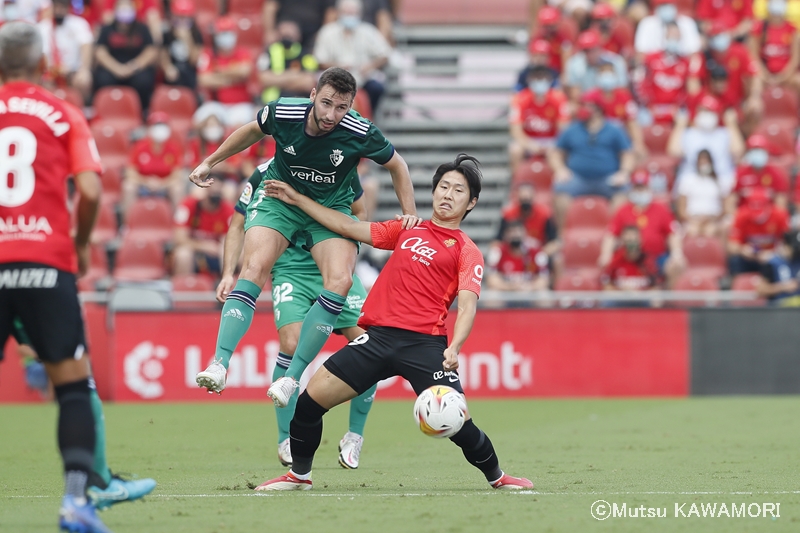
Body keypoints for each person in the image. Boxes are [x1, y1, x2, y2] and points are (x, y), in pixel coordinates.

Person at [255, 154, 533, 491]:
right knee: (308, 404)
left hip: (425, 345)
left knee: (458, 422)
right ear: (433, 191)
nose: (448, 194)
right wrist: (298, 199)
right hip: (377, 339)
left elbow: (467, 306)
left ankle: (498, 477)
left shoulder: (467, 250)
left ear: (471, 202)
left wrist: (455, 347)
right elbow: (347, 227)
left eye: (458, 190)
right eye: (443, 186)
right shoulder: (407, 229)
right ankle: (299, 476)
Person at [187, 68, 417, 406]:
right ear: (312, 96)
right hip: (280, 198)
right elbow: (251, 131)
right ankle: (220, 363)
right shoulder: (284, 112)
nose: (331, 115)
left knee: (340, 281)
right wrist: (210, 162)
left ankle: (291, 378)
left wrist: (409, 213)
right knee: (254, 267)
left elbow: (398, 165)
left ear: (351, 106)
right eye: (326, 103)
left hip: (329, 209)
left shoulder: (359, 131)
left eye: (341, 107)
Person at [0, 21, 110, 532]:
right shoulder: (63, 113)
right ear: (43, 63)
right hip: (46, 261)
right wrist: (81, 243)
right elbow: (90, 189)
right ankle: (74, 503)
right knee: (71, 387)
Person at [218, 163, 378, 469]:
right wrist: (228, 273)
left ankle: (355, 435)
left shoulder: (341, 166)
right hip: (291, 269)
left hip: (331, 264)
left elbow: (360, 213)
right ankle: (286, 438)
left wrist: (347, 252)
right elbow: (238, 224)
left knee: (369, 344)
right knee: (290, 343)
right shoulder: (265, 172)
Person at [10, 320, 157, 511]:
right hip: (41, 315)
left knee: (79, 385)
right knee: (78, 386)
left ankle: (95, 486)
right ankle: (97, 485)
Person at [549, 91, 635, 227]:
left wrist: (624, 173)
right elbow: (556, 153)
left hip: (607, 179)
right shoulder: (571, 129)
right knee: (560, 192)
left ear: (598, 109)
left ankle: (613, 234)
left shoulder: (614, 129)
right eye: (582, 105)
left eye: (588, 106)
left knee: (622, 195)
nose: (583, 109)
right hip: (578, 178)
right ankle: (563, 235)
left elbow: (627, 154)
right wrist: (560, 169)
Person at [598, 169, 686, 287]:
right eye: (637, 188)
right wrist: (606, 254)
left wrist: (676, 254)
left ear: (649, 188)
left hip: (657, 257)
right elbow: (611, 235)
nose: (640, 192)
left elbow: (672, 233)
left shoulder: (661, 209)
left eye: (643, 188)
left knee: (676, 266)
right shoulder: (623, 210)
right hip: (630, 257)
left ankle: (668, 297)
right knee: (609, 269)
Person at [313, 0, 392, 113]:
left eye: (352, 12)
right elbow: (320, 60)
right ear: (339, 12)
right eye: (346, 12)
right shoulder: (327, 32)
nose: (349, 16)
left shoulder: (368, 31)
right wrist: (338, 67)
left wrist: (370, 66)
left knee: (376, 87)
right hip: (334, 78)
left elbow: (385, 54)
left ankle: (367, 118)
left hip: (363, 78)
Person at [667, 96, 745, 194]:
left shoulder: (724, 133)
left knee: (731, 184)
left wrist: (731, 124)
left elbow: (738, 151)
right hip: (693, 179)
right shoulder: (689, 133)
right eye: (702, 111)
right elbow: (674, 152)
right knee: (684, 183)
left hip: (720, 179)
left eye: (709, 111)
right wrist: (680, 125)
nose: (705, 114)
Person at [92, 0, 158, 110]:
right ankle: (106, 110)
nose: (124, 11)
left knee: (143, 81)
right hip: (113, 67)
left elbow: (151, 51)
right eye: (121, 8)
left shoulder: (142, 28)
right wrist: (116, 68)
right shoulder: (106, 29)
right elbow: (100, 51)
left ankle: (141, 111)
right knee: (103, 79)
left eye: (127, 8)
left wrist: (133, 67)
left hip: (135, 67)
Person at [508, 64, 570, 173]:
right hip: (529, 140)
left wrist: (554, 145)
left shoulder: (559, 98)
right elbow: (516, 131)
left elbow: (563, 129)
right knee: (515, 150)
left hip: (552, 140)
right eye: (536, 78)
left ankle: (559, 178)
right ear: (529, 80)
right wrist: (530, 145)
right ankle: (517, 180)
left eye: (543, 78)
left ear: (550, 80)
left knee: (559, 152)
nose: (540, 81)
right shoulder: (519, 99)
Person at [196, 16, 255, 128]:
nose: (226, 36)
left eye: (228, 32)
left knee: (239, 125)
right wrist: (233, 79)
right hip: (215, 104)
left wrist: (218, 71)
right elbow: (203, 80)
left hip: (241, 105)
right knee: (201, 121)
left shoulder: (242, 52)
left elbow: (244, 72)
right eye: (222, 33)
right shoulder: (208, 54)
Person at [122, 110, 185, 213]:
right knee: (128, 187)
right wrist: (146, 182)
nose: (160, 129)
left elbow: (177, 174)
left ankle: (178, 221)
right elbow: (130, 172)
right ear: (149, 128)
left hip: (165, 185)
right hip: (143, 185)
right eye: (156, 125)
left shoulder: (174, 148)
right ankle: (127, 221)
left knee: (177, 188)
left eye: (163, 125)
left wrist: (161, 183)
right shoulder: (139, 147)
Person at [173, 178, 235, 277]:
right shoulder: (188, 205)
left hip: (217, 254)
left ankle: (225, 283)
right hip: (195, 252)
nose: (214, 194)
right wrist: (204, 246)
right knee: (183, 254)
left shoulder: (228, 209)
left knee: (229, 251)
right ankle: (184, 285)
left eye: (218, 191)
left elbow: (234, 238)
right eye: (212, 190)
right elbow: (179, 238)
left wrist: (222, 246)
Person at [636, 22, 691, 125]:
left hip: (675, 108)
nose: (674, 40)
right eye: (671, 36)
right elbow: (640, 83)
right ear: (664, 37)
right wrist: (649, 105)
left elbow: (687, 90)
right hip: (651, 107)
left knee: (684, 118)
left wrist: (677, 106)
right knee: (641, 119)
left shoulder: (685, 63)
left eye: (676, 37)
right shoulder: (650, 59)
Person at [38, 0, 93, 99]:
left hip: (73, 72)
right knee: (43, 82)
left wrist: (84, 70)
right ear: (52, 7)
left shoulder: (79, 24)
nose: (59, 11)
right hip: (51, 72)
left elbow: (86, 46)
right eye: (57, 7)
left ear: (68, 8)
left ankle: (79, 107)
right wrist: (55, 70)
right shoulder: (43, 27)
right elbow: (42, 54)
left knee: (83, 80)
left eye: (62, 7)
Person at [728, 188, 790, 274]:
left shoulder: (780, 215)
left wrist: (772, 253)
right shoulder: (741, 215)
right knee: (735, 260)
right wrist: (743, 250)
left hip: (772, 257)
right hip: (750, 258)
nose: (757, 217)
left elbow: (788, 246)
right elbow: (732, 245)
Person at [257, 20, 318, 105]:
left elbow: (309, 82)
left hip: (300, 103)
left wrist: (277, 80)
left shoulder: (306, 55)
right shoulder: (270, 51)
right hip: (272, 104)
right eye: (284, 36)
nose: (287, 40)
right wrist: (294, 76)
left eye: (289, 36)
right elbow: (263, 79)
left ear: (298, 35)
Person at [727, 134, 789, 213]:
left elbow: (781, 200)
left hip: (768, 214)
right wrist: (735, 215)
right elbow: (732, 199)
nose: (757, 153)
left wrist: (777, 217)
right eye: (754, 150)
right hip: (746, 214)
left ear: (766, 151)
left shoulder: (775, 173)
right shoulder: (741, 173)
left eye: (760, 150)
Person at [676, 149, 731, 237]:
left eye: (706, 161)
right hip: (692, 220)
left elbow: (726, 207)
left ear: (711, 163)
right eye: (701, 162)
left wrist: (711, 219)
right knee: (692, 231)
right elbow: (681, 208)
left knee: (711, 231)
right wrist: (695, 220)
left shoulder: (719, 182)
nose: (703, 164)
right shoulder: (688, 180)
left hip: (713, 220)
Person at [749, 0, 800, 91]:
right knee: (755, 81)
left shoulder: (792, 29)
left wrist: (783, 77)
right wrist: (764, 75)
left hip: (787, 75)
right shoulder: (760, 28)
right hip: (764, 74)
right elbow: (753, 56)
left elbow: (795, 59)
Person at [563, 29, 628, 101]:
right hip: (586, 102)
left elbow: (623, 90)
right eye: (586, 51)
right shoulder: (574, 64)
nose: (590, 54)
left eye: (593, 50)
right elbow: (574, 93)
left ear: (600, 47)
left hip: (611, 102)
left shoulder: (616, 62)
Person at [486, 220, 550, 293]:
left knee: (544, 293)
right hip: (505, 292)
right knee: (492, 294)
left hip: (530, 292)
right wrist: (510, 287)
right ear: (505, 235)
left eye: (518, 231)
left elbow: (544, 279)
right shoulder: (497, 252)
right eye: (512, 232)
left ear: (525, 233)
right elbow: (491, 280)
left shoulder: (537, 253)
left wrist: (529, 287)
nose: (515, 235)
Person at [601, 225, 660, 291]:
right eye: (628, 240)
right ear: (622, 240)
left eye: (634, 239)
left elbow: (656, 287)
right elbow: (606, 286)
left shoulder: (648, 261)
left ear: (641, 240)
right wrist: (623, 292)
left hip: (643, 296)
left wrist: (640, 293)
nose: (632, 242)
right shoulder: (615, 261)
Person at [160, 0, 204, 90]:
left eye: (185, 18)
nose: (182, 21)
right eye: (179, 17)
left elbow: (194, 60)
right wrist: (167, 68)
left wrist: (187, 40)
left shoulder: (196, 34)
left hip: (190, 72)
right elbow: (163, 55)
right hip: (173, 71)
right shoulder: (168, 33)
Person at [634, 0, 701, 57]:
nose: (666, 8)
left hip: (681, 65)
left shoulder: (687, 23)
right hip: (654, 65)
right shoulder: (647, 24)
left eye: (669, 5)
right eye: (663, 5)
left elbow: (694, 53)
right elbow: (640, 53)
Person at [756, 229, 800, 305]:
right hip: (779, 307)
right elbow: (760, 290)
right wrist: (783, 287)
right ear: (786, 245)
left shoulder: (797, 261)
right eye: (795, 248)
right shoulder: (772, 263)